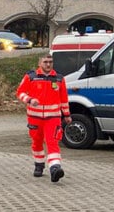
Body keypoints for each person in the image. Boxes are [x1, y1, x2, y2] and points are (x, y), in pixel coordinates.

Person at [16, 54, 72, 182]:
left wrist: (67, 115)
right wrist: (29, 100)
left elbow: (64, 98)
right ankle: (39, 165)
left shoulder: (59, 78)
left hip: (53, 117)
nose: (48, 64)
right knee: (37, 142)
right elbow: (20, 92)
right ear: (39, 63)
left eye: (50, 62)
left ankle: (55, 168)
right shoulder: (31, 77)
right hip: (34, 117)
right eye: (45, 62)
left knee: (52, 142)